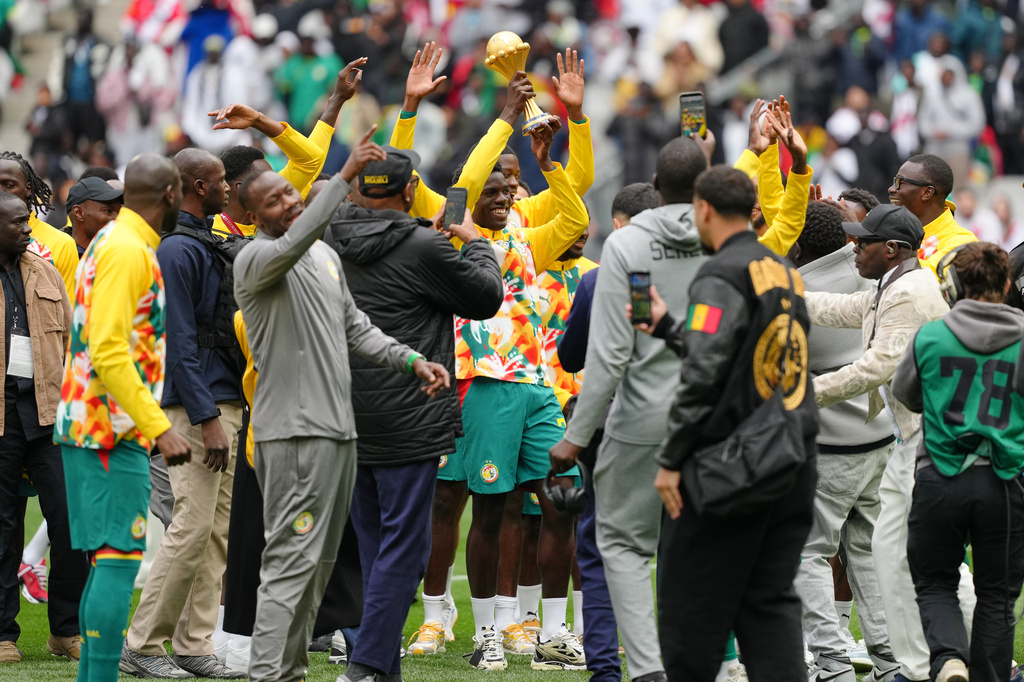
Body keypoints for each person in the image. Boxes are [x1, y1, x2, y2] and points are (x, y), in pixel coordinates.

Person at [232, 128, 450, 682]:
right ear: (253, 215)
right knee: (289, 563)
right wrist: (346, 175)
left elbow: (357, 328)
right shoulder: (256, 259)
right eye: (274, 199)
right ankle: (267, 675)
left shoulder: (324, 255)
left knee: (321, 567)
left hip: (339, 433)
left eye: (289, 192)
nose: (290, 200)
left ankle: (292, 670)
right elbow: (294, 240)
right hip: (294, 434)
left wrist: (410, 361)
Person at [322, 146, 504, 682]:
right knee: (408, 545)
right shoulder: (424, 245)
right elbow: (486, 297)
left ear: (359, 189)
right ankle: (366, 666)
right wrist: (477, 244)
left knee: (377, 542)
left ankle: (382, 669)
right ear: (407, 193)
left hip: (347, 408)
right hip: (410, 410)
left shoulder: (331, 235)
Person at [641, 165, 818, 682]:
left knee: (689, 611)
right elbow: (751, 358)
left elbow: (702, 375)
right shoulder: (783, 269)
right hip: (793, 458)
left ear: (704, 210)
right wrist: (673, 329)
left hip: (734, 468)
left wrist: (672, 461)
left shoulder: (720, 273)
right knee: (769, 606)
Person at [548, 136, 711, 682]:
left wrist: (574, 436)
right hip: (713, 422)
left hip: (641, 419)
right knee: (698, 552)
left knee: (618, 546)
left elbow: (616, 350)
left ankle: (643, 670)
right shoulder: (727, 237)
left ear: (657, 187)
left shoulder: (628, 247)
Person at [804, 203, 975, 682]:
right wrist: (784, 295)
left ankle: (974, 658)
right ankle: (920, 664)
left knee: (923, 557)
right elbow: (842, 308)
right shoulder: (893, 284)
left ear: (892, 249)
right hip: (914, 442)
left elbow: (875, 368)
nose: (853, 248)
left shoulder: (910, 293)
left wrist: (803, 394)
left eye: (862, 242)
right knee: (892, 553)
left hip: (929, 444)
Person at [54, 153, 192, 682]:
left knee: (104, 564)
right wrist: (156, 425)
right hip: (109, 432)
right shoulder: (129, 250)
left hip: (94, 426)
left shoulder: (117, 244)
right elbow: (109, 350)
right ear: (172, 195)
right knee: (118, 560)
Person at [120, 149, 242, 680]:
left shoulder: (205, 243)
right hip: (196, 408)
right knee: (190, 526)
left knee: (216, 531)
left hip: (223, 402)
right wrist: (206, 414)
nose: (228, 190)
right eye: (220, 182)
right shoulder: (177, 250)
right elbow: (179, 341)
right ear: (198, 185)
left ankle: (194, 643)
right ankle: (141, 645)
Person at [893, 242, 1024, 682]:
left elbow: (906, 394)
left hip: (938, 476)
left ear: (953, 286)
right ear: (1006, 284)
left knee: (934, 581)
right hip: (1004, 480)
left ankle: (948, 659)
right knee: (996, 596)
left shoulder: (930, 335)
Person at [789, 202, 900, 682]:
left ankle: (831, 662)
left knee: (810, 552)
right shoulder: (873, 279)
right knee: (868, 550)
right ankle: (888, 657)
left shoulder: (798, 291)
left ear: (797, 242)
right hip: (879, 439)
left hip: (831, 446)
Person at [555, 181, 660, 682]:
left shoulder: (602, 279)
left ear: (618, 226)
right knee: (685, 548)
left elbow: (573, 357)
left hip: (616, 424)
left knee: (602, 546)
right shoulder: (703, 266)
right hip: (689, 423)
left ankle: (607, 671)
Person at [0, 192, 87, 664]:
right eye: (17, 222)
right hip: (1, 418)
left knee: (72, 522)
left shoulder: (46, 270)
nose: (28, 229)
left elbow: (73, 341)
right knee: (2, 527)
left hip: (49, 414)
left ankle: (65, 631)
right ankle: (2, 634)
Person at [210, 57, 366, 239]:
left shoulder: (269, 213)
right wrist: (259, 121)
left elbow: (311, 159)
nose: (278, 183)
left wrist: (337, 99)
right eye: (269, 179)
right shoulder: (210, 231)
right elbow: (310, 160)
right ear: (241, 187)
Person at [0, 152, 80, 298]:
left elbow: (67, 315)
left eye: (9, 185)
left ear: (28, 189)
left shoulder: (61, 245)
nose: (1, 192)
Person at [888, 154, 976, 275]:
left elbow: (920, 278)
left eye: (900, 182)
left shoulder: (963, 241)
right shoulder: (893, 234)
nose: (891, 189)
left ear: (927, 192)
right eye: (894, 181)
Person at [65, 177, 122, 257]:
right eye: (108, 211)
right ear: (79, 213)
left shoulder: (120, 253)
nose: (117, 218)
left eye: (119, 212)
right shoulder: (55, 254)